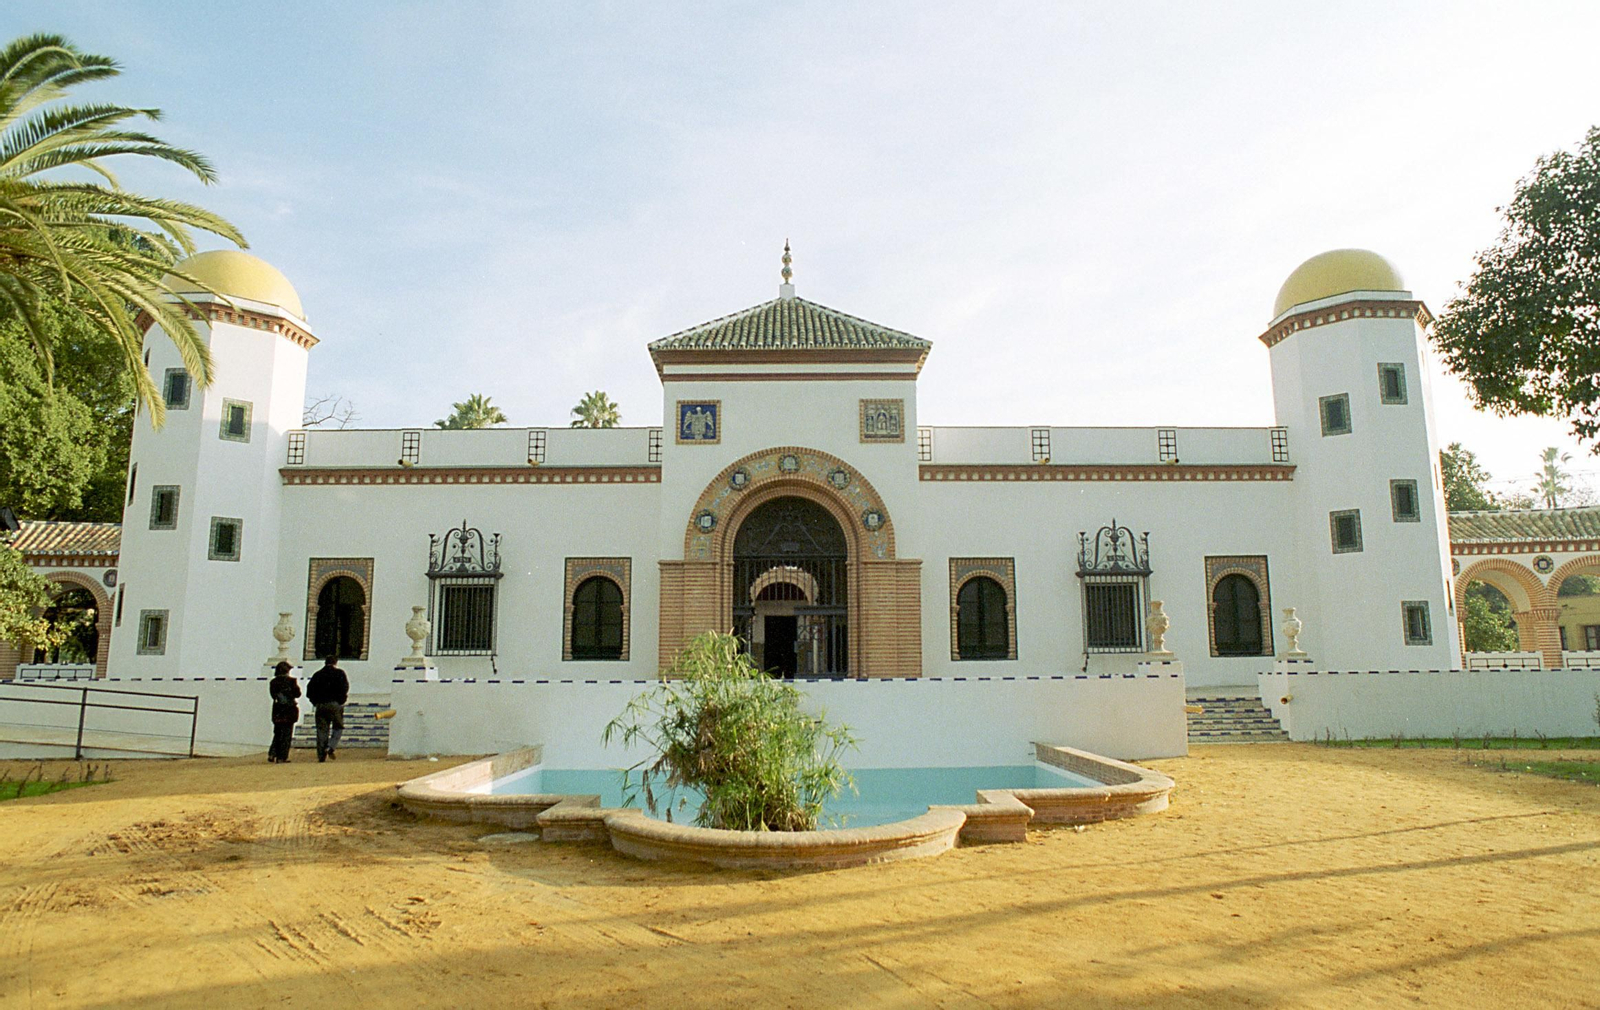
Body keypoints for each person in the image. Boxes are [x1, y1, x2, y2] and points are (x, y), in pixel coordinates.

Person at [305, 654, 349, 762]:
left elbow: (309, 690)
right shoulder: (339, 673)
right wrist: (341, 701)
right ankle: (330, 746)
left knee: (321, 730)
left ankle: (321, 755)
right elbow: (345, 688)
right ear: (335, 662)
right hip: (335, 704)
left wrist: (315, 702)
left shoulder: (318, 675)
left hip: (320, 705)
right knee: (338, 727)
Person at [267, 661, 300, 763]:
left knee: (277, 732)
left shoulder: (273, 682)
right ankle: (282, 757)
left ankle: (272, 753)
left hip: (277, 709)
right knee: (286, 734)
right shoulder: (291, 681)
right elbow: (297, 694)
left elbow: (273, 695)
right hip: (289, 710)